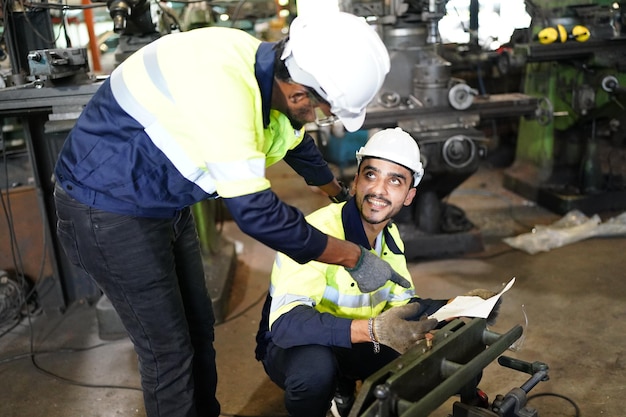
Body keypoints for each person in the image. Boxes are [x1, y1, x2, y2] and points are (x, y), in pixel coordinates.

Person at [52, 12, 406, 417]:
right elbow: (257, 213)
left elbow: (293, 141)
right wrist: (352, 256)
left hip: (162, 201)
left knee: (199, 329)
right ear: (297, 95)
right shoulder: (225, 91)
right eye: (320, 112)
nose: (317, 120)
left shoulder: (264, 68)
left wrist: (334, 193)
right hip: (106, 210)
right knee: (167, 349)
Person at [255, 128, 500, 417]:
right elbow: (287, 325)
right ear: (356, 181)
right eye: (371, 175)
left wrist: (454, 307)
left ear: (409, 196)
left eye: (395, 181)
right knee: (315, 373)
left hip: (353, 338)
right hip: (295, 345)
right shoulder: (315, 234)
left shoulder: (391, 236)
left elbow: (402, 305)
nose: (379, 190)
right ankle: (330, 390)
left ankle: (346, 387)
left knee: (418, 357)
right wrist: (372, 330)